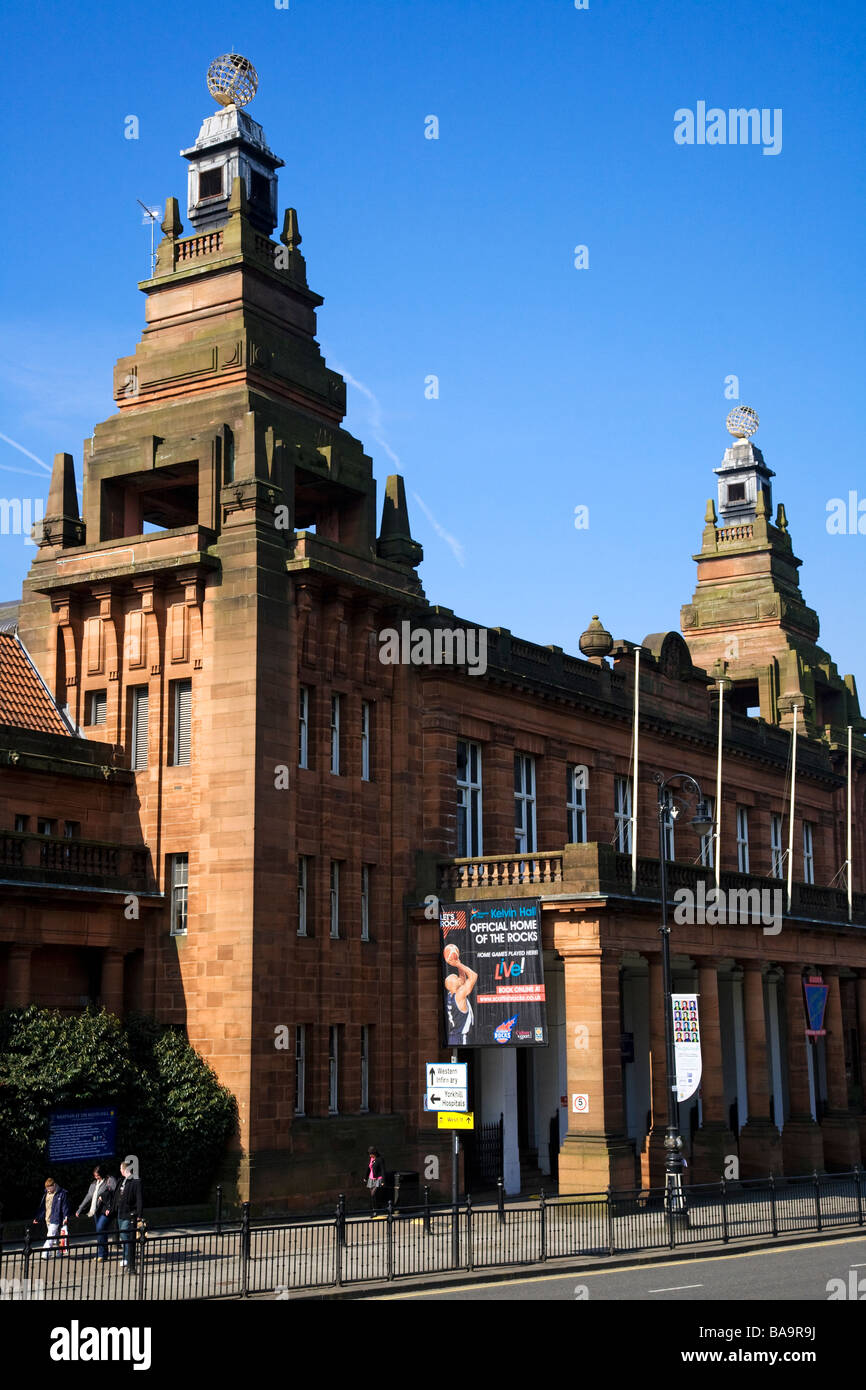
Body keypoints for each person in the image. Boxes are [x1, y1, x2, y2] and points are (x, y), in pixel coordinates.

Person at [75, 1164, 116, 1261]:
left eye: (97, 1175)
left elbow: (114, 1195)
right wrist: (80, 1208)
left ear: (102, 1173)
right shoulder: (94, 1183)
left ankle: (101, 1254)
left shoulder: (109, 1181)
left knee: (100, 1228)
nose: (95, 1177)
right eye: (94, 1175)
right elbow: (88, 1196)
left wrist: (110, 1208)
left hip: (106, 1210)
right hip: (96, 1210)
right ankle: (103, 1254)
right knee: (101, 1232)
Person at [443, 946, 478, 1046]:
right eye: (456, 978)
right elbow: (473, 976)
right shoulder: (459, 995)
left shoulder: (451, 994)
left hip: (453, 1035)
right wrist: (458, 964)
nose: (459, 978)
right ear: (455, 985)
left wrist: (458, 962)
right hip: (461, 1037)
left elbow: (462, 980)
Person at [115, 1160, 143, 1272]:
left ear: (125, 1170)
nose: (120, 1171)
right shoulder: (122, 1180)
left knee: (125, 1235)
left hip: (129, 1213)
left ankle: (128, 1259)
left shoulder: (136, 1181)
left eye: (121, 1169)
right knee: (123, 1235)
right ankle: (126, 1257)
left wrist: (139, 1214)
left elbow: (139, 1199)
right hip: (120, 1212)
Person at [33, 1177, 70, 1259]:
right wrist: (38, 1218)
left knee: (50, 1235)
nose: (48, 1190)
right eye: (47, 1188)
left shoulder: (61, 1193)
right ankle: (59, 1252)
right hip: (48, 1219)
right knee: (56, 1237)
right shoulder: (46, 1194)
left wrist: (66, 1217)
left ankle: (45, 1253)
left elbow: (65, 1207)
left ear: (54, 1185)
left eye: (49, 1188)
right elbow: (43, 1207)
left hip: (56, 1218)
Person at [365, 1146, 385, 1213]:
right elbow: (368, 1168)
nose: (370, 1155)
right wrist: (365, 1177)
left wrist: (383, 1180)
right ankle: (374, 1210)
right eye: (369, 1154)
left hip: (378, 1178)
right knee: (372, 1195)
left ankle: (376, 1210)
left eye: (371, 1154)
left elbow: (383, 1170)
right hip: (371, 1178)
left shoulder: (380, 1159)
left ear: (374, 1153)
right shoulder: (371, 1159)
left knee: (373, 1194)